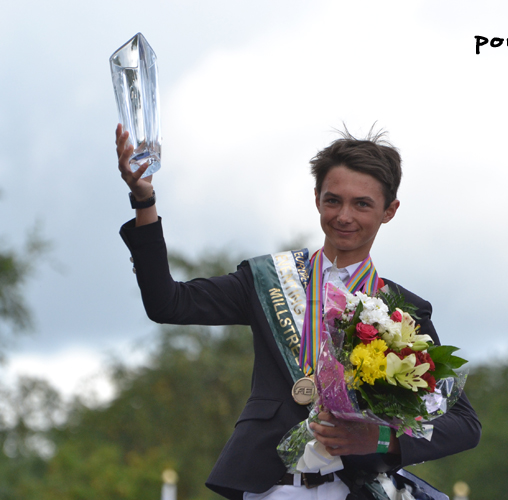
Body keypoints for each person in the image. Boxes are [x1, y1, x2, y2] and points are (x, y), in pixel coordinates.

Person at [115, 124, 481, 500]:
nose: (344, 216)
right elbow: (168, 303)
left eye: (362, 204)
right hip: (272, 489)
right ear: (317, 198)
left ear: (389, 211)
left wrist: (379, 437)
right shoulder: (268, 280)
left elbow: (464, 425)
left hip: (357, 490)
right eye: (333, 200)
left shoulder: (403, 309)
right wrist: (145, 201)